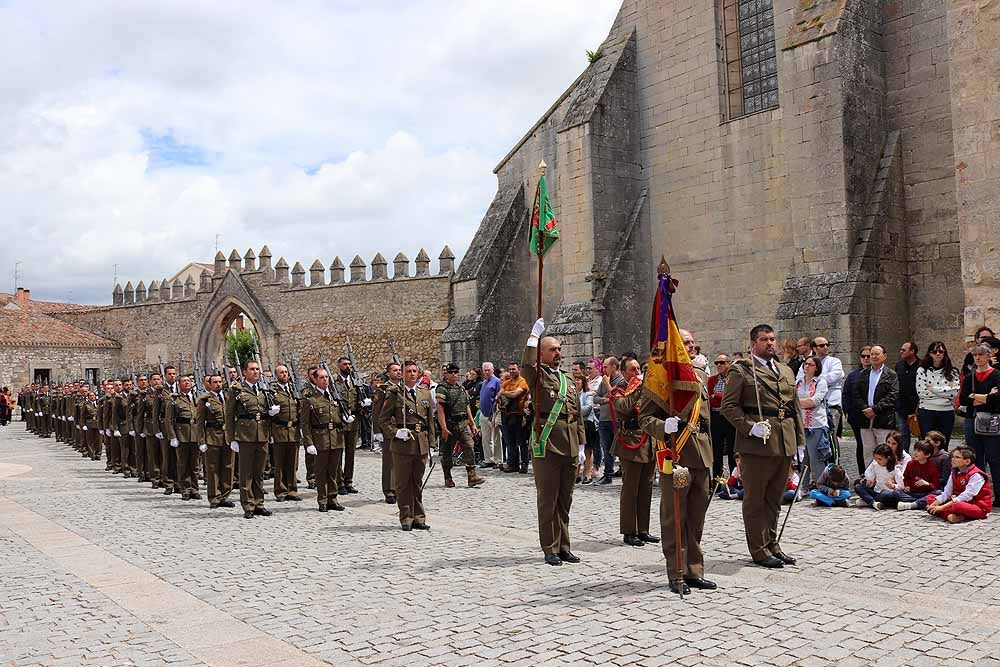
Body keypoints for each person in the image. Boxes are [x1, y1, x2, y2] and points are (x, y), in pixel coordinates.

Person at [721, 323, 804, 569]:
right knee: (755, 498)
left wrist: (798, 441)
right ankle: (757, 549)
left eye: (772, 339)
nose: (770, 343)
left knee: (774, 497)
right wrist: (749, 426)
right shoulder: (743, 371)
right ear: (753, 344)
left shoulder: (786, 371)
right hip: (757, 442)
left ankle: (772, 543)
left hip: (783, 439)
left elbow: (794, 407)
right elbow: (728, 407)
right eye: (764, 340)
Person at [637, 327, 713, 593]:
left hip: (702, 455)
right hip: (676, 454)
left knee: (696, 518)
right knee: (674, 518)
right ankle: (676, 573)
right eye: (685, 343)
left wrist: (713, 457)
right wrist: (663, 427)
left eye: (693, 343)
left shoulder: (702, 375)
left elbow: (707, 421)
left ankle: (694, 570)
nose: (691, 347)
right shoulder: (659, 376)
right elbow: (644, 418)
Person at [520, 320, 585, 566]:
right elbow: (526, 363)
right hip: (546, 444)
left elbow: (576, 414)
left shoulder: (568, 379)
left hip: (568, 444)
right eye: (553, 349)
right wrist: (533, 337)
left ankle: (564, 545)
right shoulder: (536, 375)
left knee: (564, 499)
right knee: (548, 499)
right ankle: (549, 547)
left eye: (559, 349)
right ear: (542, 354)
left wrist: (580, 445)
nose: (558, 353)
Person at [379, 360, 436, 531]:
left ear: (418, 373)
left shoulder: (424, 393)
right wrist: (395, 432)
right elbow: (384, 419)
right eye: (408, 371)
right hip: (403, 443)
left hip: (421, 442)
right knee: (403, 483)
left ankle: (419, 516)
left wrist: (432, 444)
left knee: (417, 482)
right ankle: (406, 516)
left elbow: (430, 421)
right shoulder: (394, 393)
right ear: (402, 374)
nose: (411, 374)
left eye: (414, 371)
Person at [613, 358, 658, 548]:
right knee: (631, 488)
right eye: (632, 370)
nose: (637, 372)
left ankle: (643, 529)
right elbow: (624, 408)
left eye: (638, 368)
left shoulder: (646, 390)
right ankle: (629, 530)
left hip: (648, 441)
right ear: (623, 372)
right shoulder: (619, 390)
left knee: (646, 487)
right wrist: (638, 387)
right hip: (630, 442)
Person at [225, 359, 279, 519]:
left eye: (257, 369)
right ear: (245, 372)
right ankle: (248, 505)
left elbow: (264, 413)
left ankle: (259, 503)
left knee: (259, 472)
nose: (256, 371)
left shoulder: (263, 390)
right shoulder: (236, 390)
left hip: (262, 434)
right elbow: (229, 416)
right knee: (246, 472)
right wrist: (232, 438)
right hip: (245, 435)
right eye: (252, 369)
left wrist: (271, 414)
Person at [959, 343, 1000, 505]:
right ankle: (979, 494)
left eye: (981, 355)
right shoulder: (970, 376)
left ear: (989, 356)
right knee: (975, 460)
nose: (977, 358)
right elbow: (963, 400)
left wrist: (974, 397)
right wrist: (986, 397)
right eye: (975, 355)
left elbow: (997, 400)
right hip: (972, 420)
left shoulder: (997, 375)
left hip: (991, 422)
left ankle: (998, 494)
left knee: (994, 458)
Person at [301, 366, 346, 512]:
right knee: (321, 472)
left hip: (336, 439)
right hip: (320, 439)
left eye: (326, 377)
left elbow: (339, 416)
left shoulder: (334, 396)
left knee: (333, 471)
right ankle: (322, 500)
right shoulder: (310, 399)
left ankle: (333, 498)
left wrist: (346, 419)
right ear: (315, 380)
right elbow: (305, 424)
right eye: (321, 377)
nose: (325, 380)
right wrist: (308, 443)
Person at [436, 363, 486, 489]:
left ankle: (472, 476)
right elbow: (440, 408)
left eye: (456, 372)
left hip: (463, 423)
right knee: (447, 452)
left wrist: (472, 423)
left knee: (469, 446)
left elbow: (467, 406)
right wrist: (443, 428)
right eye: (451, 372)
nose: (454, 375)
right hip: (450, 424)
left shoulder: (461, 388)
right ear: (446, 373)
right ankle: (448, 477)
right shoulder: (442, 388)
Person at [852, 345, 898, 471]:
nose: (873, 357)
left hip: (883, 418)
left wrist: (875, 409)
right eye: (872, 354)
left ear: (884, 356)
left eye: (877, 354)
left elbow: (893, 395)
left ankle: (885, 476)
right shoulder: (863, 374)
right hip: (865, 418)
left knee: (884, 450)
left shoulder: (891, 375)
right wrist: (865, 408)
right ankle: (869, 478)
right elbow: (856, 394)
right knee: (868, 451)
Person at [196, 373, 236, 509]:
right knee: (213, 469)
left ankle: (225, 496)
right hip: (213, 436)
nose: (218, 384)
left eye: (220, 382)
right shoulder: (205, 400)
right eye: (215, 382)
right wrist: (201, 441)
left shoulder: (228, 397)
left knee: (228, 467)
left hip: (228, 437)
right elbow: (200, 423)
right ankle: (214, 497)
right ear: (210, 385)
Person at [923, 447, 993, 522]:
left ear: (967, 461)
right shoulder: (954, 472)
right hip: (958, 501)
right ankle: (950, 516)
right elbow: (947, 493)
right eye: (952, 457)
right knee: (930, 498)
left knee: (957, 505)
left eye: (957, 457)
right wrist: (934, 504)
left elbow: (966, 496)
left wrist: (941, 507)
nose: (953, 459)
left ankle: (944, 513)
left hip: (977, 506)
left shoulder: (976, 475)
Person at [165, 374, 202, 501]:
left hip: (195, 434)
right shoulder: (175, 400)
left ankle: (195, 488)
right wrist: (172, 436)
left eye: (189, 381)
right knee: (182, 464)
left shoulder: (197, 398)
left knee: (195, 464)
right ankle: (185, 489)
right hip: (182, 434)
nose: (187, 383)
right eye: (184, 381)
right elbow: (168, 420)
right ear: (179, 385)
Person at [915, 342, 960, 446]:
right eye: (934, 351)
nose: (938, 354)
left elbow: (954, 393)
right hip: (927, 411)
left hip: (946, 411)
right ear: (930, 354)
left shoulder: (952, 372)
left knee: (943, 444)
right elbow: (922, 393)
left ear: (945, 353)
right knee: (927, 445)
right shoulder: (922, 370)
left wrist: (933, 389)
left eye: (940, 351)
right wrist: (945, 391)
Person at [796, 355, 830, 490]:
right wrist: (802, 403)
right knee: (802, 459)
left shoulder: (821, 382)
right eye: (805, 364)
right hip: (800, 424)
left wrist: (796, 403)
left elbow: (814, 402)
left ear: (817, 368)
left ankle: (822, 487)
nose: (807, 366)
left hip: (816, 425)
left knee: (816, 458)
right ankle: (803, 486)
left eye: (810, 364)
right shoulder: (798, 382)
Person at [270, 364, 303, 503]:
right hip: (279, 430)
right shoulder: (272, 391)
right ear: (276, 375)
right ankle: (280, 491)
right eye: (281, 372)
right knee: (280, 463)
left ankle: (292, 490)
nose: (284, 374)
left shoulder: (293, 390)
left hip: (293, 431)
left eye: (285, 372)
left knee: (292, 462)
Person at [594, 356, 627, 485]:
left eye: (606, 366)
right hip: (604, 419)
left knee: (621, 449)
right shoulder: (604, 381)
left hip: (616, 420)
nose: (603, 369)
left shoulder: (621, 381)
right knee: (606, 449)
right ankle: (607, 474)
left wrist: (608, 388)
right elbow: (595, 398)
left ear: (614, 367)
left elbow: (616, 397)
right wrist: (606, 400)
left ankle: (625, 474)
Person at [334, 357, 364, 495]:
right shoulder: (333, 382)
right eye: (345, 364)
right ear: (339, 366)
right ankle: (339, 482)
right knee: (339, 453)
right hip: (340, 422)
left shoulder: (354, 382)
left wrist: (363, 405)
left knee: (351, 453)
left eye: (349, 364)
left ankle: (348, 481)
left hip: (353, 421)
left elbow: (358, 399)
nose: (348, 366)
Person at [843, 346, 872, 476]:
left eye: (869, 356)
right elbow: (846, 394)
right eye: (863, 356)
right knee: (861, 445)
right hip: (857, 416)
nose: (866, 358)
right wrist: (847, 411)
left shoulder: (878, 373)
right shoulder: (853, 375)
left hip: (875, 414)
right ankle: (862, 473)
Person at [708, 354, 736, 479]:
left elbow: (731, 397)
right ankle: (717, 479)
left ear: (729, 364)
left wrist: (718, 396)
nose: (719, 365)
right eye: (717, 363)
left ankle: (735, 478)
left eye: (722, 362)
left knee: (732, 450)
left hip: (730, 416)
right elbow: (709, 398)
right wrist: (720, 397)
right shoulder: (712, 380)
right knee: (716, 449)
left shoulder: (733, 379)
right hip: (716, 416)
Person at [499, 362, 529, 474]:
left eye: (513, 369)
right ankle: (513, 464)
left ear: (519, 370)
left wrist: (505, 393)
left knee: (521, 441)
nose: (511, 371)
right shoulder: (506, 383)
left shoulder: (522, 382)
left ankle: (524, 463)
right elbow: (498, 396)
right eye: (510, 369)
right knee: (510, 441)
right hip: (507, 415)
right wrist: (507, 394)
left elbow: (516, 394)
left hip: (519, 415)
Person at [852, 443, 902, 509]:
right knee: (858, 487)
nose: (877, 461)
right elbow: (868, 473)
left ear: (888, 458)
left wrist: (893, 486)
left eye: (880, 459)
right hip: (876, 491)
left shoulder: (895, 469)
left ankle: (868, 501)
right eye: (876, 459)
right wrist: (870, 481)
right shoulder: (875, 464)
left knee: (885, 494)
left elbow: (902, 485)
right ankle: (873, 503)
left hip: (886, 493)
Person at [894, 440, 941, 510]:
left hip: (925, 493)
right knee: (895, 492)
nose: (915, 453)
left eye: (919, 451)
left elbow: (936, 486)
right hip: (912, 493)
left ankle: (913, 504)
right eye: (915, 450)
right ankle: (919, 503)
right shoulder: (910, 463)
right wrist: (907, 486)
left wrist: (927, 484)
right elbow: (906, 477)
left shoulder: (932, 467)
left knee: (938, 493)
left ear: (927, 455)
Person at [895, 341, 920, 452]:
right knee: (903, 436)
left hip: (917, 407)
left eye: (903, 350)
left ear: (912, 351)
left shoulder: (922, 365)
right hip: (902, 407)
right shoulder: (899, 365)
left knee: (921, 435)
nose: (901, 352)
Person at [478, 362, 503, 469]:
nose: (487, 372)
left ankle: (498, 460)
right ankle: (489, 459)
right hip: (483, 413)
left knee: (497, 438)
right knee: (486, 439)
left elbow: (499, 397)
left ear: (493, 370)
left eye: (489, 370)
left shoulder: (497, 381)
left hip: (493, 413)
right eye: (485, 370)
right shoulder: (484, 382)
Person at [578, 376, 598, 484]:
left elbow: (587, 409)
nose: (576, 382)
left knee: (588, 450)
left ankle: (587, 474)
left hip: (587, 424)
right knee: (576, 450)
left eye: (578, 380)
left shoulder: (588, 394)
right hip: (575, 424)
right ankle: (576, 474)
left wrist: (574, 410)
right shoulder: (572, 394)